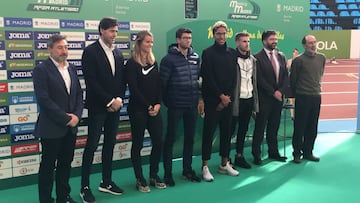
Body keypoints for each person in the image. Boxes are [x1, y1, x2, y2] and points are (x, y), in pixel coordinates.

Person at [80, 17, 127, 203]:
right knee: (91, 146)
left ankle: (106, 182)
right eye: (111, 31)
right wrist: (109, 101)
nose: (114, 34)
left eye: (116, 31)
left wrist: (118, 99)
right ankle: (84, 187)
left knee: (110, 144)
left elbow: (121, 80)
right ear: (101, 30)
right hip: (98, 107)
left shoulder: (118, 52)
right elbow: (91, 82)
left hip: (115, 107)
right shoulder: (90, 52)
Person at [33, 34, 83, 203]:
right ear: (50, 49)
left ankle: (64, 197)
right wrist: (66, 119)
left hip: (71, 127)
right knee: (48, 167)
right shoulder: (41, 70)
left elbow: (78, 95)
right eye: (60, 47)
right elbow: (44, 100)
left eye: (66, 47)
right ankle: (46, 200)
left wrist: (76, 115)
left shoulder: (71, 68)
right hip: (51, 128)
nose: (64, 51)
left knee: (65, 165)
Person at [160, 27, 201, 186]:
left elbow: (198, 80)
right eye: (184, 38)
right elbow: (162, 84)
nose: (188, 41)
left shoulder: (195, 57)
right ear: (178, 40)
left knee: (190, 139)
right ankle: (168, 174)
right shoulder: (168, 59)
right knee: (170, 139)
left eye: (189, 38)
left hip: (192, 105)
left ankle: (187, 170)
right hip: (175, 106)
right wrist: (169, 102)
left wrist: (198, 100)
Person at [126, 30, 166, 193]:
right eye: (147, 42)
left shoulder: (153, 61)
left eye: (152, 42)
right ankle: (140, 178)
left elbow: (158, 85)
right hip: (138, 110)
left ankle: (153, 175)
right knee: (138, 144)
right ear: (139, 43)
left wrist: (157, 104)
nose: (150, 45)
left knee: (158, 141)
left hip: (154, 110)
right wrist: (148, 106)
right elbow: (134, 89)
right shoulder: (131, 64)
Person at [200, 21, 239, 182]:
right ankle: (205, 167)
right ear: (214, 34)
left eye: (224, 33)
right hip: (212, 102)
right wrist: (220, 97)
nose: (221, 36)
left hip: (227, 101)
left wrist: (227, 98)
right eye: (218, 34)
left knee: (226, 133)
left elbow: (233, 78)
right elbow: (207, 77)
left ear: (227, 34)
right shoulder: (207, 53)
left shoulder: (232, 53)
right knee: (208, 134)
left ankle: (224, 164)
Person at [252, 30, 289, 165]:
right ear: (264, 41)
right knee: (260, 128)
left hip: (278, 99)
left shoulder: (281, 56)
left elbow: (285, 76)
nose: (275, 41)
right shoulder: (256, 58)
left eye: (275, 39)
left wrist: (281, 91)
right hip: (265, 99)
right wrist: (273, 92)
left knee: (274, 127)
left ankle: (273, 152)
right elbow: (259, 80)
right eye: (272, 39)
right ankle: (256, 155)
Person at [290, 35, 325, 163]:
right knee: (300, 126)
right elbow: (293, 80)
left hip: (316, 96)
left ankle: (308, 152)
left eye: (314, 42)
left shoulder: (322, 58)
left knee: (312, 126)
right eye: (310, 43)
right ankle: (297, 153)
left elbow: (320, 74)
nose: (313, 45)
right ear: (304, 45)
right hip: (302, 97)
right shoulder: (298, 60)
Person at [230, 32, 259, 169]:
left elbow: (254, 82)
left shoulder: (253, 60)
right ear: (237, 43)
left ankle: (239, 156)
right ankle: (226, 159)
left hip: (249, 99)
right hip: (235, 101)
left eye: (248, 41)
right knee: (229, 130)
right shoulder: (231, 58)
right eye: (243, 41)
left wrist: (255, 104)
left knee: (243, 129)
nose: (247, 44)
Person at [286, 48, 299, 120]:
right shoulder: (289, 61)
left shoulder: (300, 61)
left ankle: (296, 113)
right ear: (292, 53)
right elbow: (288, 68)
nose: (295, 54)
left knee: (296, 98)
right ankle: (292, 115)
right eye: (294, 53)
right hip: (290, 80)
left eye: (297, 53)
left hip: (297, 81)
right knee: (291, 99)